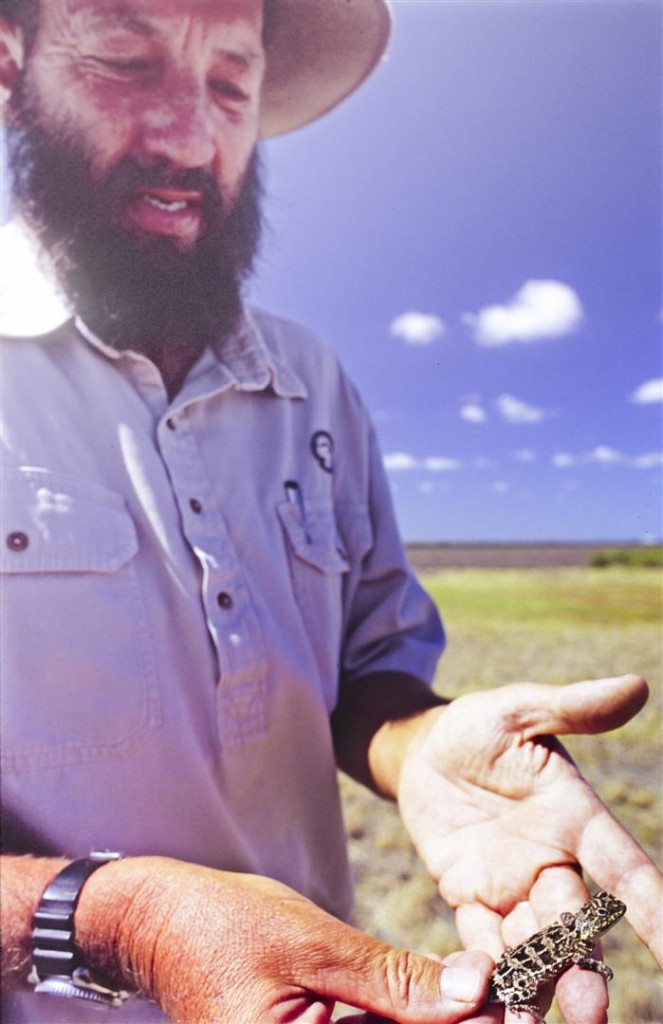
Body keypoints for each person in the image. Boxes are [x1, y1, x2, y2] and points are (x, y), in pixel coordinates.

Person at [0, 2, 660, 1022]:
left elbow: (364, 671)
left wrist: (422, 746)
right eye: (126, 63)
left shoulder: (313, 382)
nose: (188, 135)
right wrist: (127, 921)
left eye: (230, 83)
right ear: (13, 63)